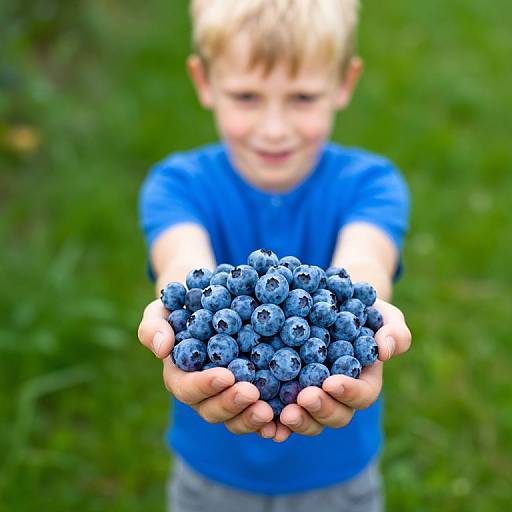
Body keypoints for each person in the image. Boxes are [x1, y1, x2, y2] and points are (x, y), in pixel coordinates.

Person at [137, 1, 412, 510]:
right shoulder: (176, 186)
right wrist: (175, 321)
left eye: (303, 97)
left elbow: (364, 271)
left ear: (344, 84)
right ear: (204, 82)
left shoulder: (373, 185)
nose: (274, 127)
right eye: (246, 96)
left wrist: (365, 319)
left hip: (336, 471)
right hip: (212, 470)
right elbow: (181, 271)